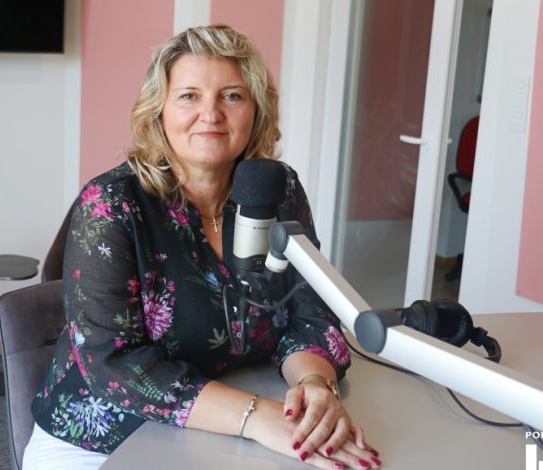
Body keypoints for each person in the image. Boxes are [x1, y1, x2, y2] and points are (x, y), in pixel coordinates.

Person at [24, 24, 381, 470]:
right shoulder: (112, 204)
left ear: (256, 110)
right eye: (189, 96)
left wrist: (313, 386)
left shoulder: (278, 189)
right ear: (159, 111)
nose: (210, 114)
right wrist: (255, 417)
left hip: (232, 420)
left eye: (232, 96)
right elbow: (111, 362)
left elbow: (310, 311)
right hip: (103, 437)